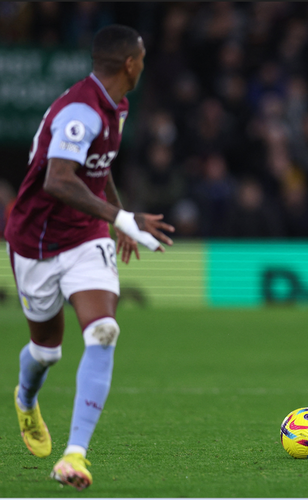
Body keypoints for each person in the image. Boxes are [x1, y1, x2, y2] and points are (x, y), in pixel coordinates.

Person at [5, 25, 174, 490]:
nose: (143, 64)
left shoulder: (114, 106)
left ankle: (74, 455)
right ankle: (25, 397)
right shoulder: (81, 111)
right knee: (46, 352)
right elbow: (57, 181)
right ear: (130, 64)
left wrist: (111, 220)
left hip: (84, 239)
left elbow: (97, 169)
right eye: (142, 57)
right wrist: (122, 219)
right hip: (34, 243)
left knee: (104, 330)